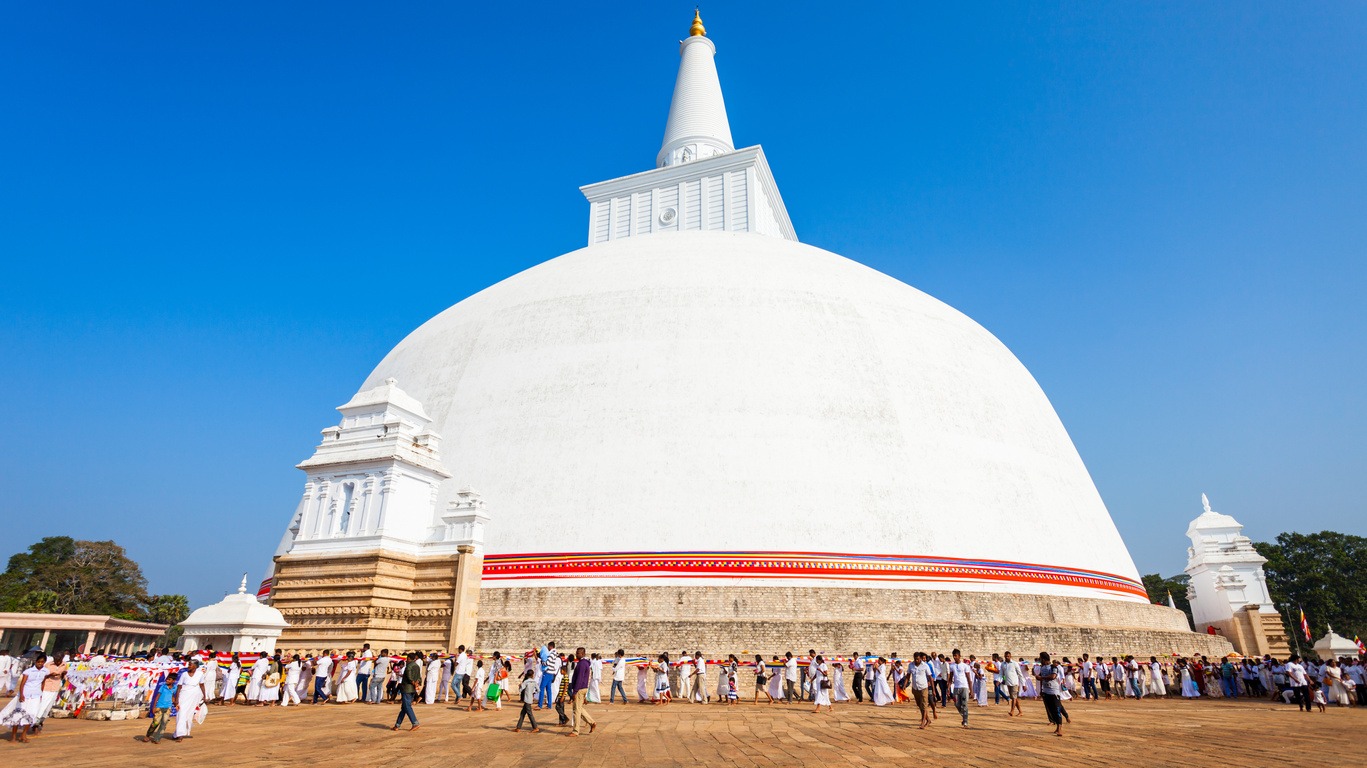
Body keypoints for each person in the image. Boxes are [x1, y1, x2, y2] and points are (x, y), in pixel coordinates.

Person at [2, 653, 49, 743]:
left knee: (31, 715)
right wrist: (22, 695)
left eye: (42, 662)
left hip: (36, 696)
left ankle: (23, 735)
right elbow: (22, 683)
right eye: (38, 662)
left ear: (44, 662)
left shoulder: (45, 672)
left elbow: (43, 682)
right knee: (18, 715)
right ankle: (13, 737)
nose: (40, 663)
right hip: (24, 695)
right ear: (35, 662)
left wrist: (41, 694)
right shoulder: (28, 671)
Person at [173, 659, 208, 741]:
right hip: (184, 694)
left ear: (195, 666)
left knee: (188, 714)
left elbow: (202, 685)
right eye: (188, 664)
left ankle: (178, 733)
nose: (188, 666)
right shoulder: (184, 674)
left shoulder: (200, 674)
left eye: (190, 665)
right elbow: (179, 686)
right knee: (181, 713)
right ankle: (180, 734)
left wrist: (204, 696)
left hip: (194, 695)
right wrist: (177, 699)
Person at [1036, 652, 1066, 737]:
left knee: (1057, 709)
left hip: (1053, 691)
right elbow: (1041, 678)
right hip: (1046, 691)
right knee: (1051, 710)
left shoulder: (1053, 667)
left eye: (1040, 658)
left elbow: (1053, 676)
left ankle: (1059, 727)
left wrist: (1041, 678)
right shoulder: (1042, 668)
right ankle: (1057, 725)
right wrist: (1041, 689)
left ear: (1043, 659)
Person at [144, 671, 178, 744]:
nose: (167, 681)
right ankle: (148, 735)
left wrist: (175, 704)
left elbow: (172, 696)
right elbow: (157, 696)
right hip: (159, 707)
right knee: (155, 723)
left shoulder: (175, 688)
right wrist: (154, 706)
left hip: (168, 708)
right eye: (167, 679)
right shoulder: (163, 687)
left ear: (173, 681)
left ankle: (157, 738)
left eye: (169, 679)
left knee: (163, 724)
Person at [569, 647, 596, 736]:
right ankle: (592, 722)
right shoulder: (585, 664)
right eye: (576, 653)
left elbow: (580, 678)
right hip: (583, 688)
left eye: (578, 653)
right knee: (579, 708)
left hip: (579, 689)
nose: (576, 655)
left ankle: (575, 731)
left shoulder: (581, 664)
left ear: (583, 654)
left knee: (576, 710)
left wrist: (575, 691)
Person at [393, 651, 423, 731]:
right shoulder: (417, 666)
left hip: (407, 688)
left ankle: (415, 723)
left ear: (409, 658)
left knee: (407, 706)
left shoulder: (408, 666)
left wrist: (412, 682)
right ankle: (397, 725)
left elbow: (408, 675)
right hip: (412, 689)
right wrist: (417, 683)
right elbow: (419, 677)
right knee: (404, 707)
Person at [949, 650, 972, 728]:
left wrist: (971, 690)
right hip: (956, 687)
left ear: (959, 656)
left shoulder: (965, 666)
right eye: (953, 656)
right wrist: (948, 688)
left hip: (964, 687)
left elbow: (969, 678)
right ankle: (964, 716)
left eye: (956, 655)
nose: (954, 657)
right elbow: (950, 678)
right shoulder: (952, 666)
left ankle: (965, 721)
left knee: (964, 704)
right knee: (956, 704)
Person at [909, 653, 933, 728]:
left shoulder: (925, 665)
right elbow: (908, 675)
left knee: (924, 705)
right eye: (915, 659)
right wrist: (904, 685)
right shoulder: (911, 665)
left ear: (921, 658)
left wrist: (933, 689)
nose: (917, 660)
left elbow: (930, 677)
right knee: (919, 705)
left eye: (918, 659)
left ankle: (923, 721)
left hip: (923, 687)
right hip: (915, 688)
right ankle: (928, 719)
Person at [1000, 651, 1023, 717]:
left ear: (1010, 656)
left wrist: (1023, 684)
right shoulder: (1003, 664)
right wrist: (1002, 680)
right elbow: (1002, 673)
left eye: (1008, 656)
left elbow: (1020, 674)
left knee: (1013, 698)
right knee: (1014, 697)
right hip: (1008, 683)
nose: (1007, 657)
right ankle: (1020, 711)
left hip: (1014, 682)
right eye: (1006, 656)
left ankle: (1012, 711)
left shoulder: (1015, 664)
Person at [537, 642, 559, 709]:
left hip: (547, 672)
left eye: (548, 647)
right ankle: (549, 705)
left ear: (550, 646)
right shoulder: (555, 653)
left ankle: (540, 705)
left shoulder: (551, 654)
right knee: (548, 689)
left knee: (541, 688)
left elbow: (547, 663)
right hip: (551, 673)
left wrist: (542, 662)